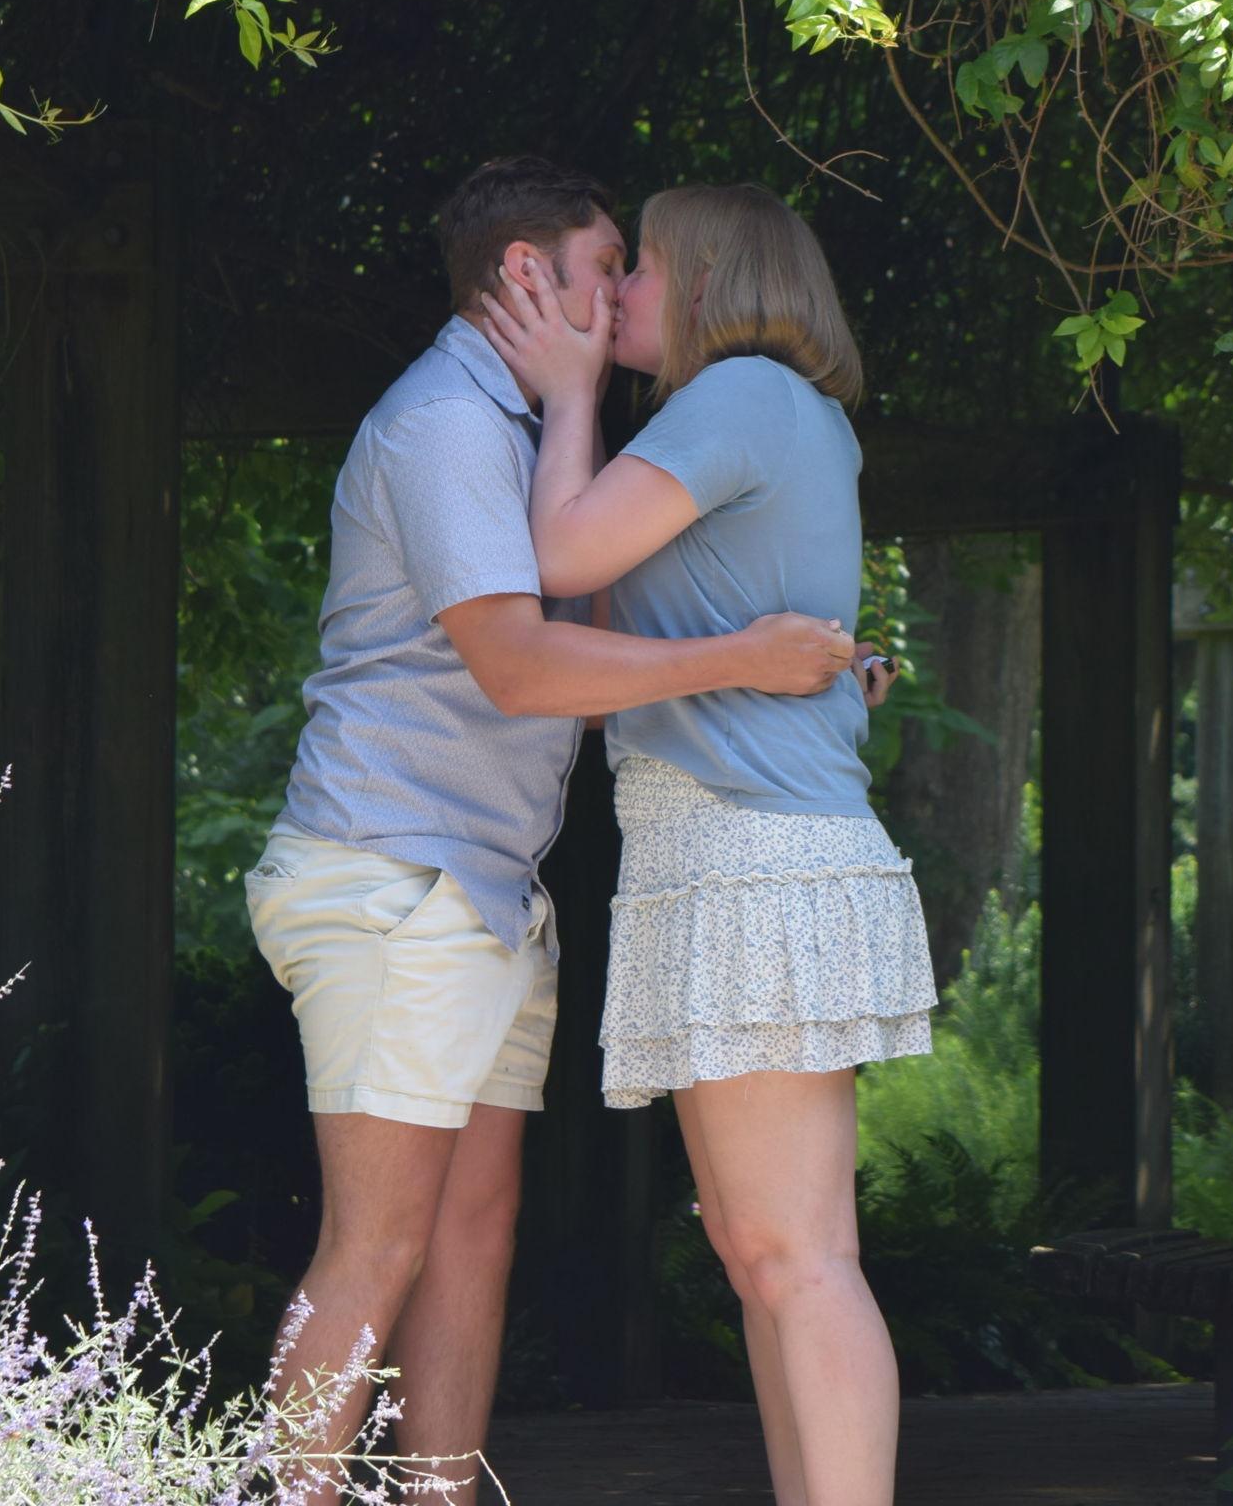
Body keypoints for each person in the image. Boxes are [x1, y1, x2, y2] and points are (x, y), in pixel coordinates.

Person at [243, 157, 861, 1488]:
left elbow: (599, 642)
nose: (624, 293)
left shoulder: (528, 440)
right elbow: (524, 672)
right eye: (606, 268)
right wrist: (745, 659)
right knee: (378, 1245)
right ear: (527, 275)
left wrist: (808, 664)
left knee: (473, 1233)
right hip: (397, 876)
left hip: (484, 894)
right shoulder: (447, 428)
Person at [480, 182, 937, 1506]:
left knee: (797, 1257)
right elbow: (601, 632)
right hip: (721, 851)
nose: (616, 290)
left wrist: (570, 395)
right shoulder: (755, 413)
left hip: (753, 854)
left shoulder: (740, 394)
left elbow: (560, 551)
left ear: (706, 282)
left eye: (643, 265)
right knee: (762, 1253)